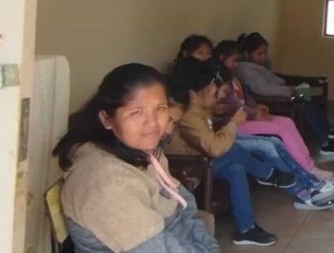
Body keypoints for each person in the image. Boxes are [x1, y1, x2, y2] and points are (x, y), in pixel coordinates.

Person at [166, 59, 334, 246]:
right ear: (207, 89)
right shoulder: (191, 114)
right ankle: (269, 174)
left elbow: (208, 136)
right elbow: (214, 147)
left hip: (206, 159)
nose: (219, 98)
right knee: (234, 149)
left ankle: (247, 229)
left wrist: (226, 119)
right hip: (194, 165)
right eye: (217, 93)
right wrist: (232, 124)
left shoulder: (200, 108)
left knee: (236, 168)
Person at [52, 63, 219, 253]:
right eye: (136, 112)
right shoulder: (106, 183)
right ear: (107, 119)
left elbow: (182, 202)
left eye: (160, 108)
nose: (153, 123)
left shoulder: (142, 150)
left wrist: (208, 246)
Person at [213, 40, 334, 183]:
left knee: (288, 121)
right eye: (234, 61)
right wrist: (255, 113)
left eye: (238, 61)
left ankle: (313, 156)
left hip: (253, 113)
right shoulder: (226, 79)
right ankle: (311, 163)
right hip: (239, 122)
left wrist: (256, 107)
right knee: (283, 126)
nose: (236, 64)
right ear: (222, 58)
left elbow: (247, 96)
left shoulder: (236, 76)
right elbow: (235, 104)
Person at [234, 32, 334, 156]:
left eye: (265, 53)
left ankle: (327, 128)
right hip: (273, 99)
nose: (264, 57)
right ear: (247, 54)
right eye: (259, 54)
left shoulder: (259, 66)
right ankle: (324, 142)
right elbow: (262, 89)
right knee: (304, 100)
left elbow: (273, 80)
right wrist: (290, 91)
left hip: (279, 92)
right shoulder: (246, 69)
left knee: (305, 92)